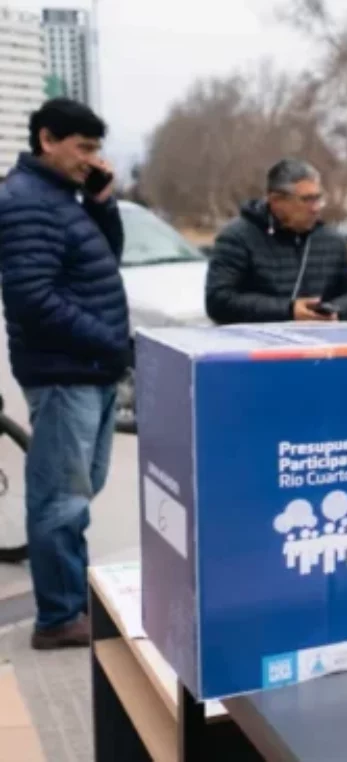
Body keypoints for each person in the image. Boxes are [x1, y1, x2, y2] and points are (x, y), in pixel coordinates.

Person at [0, 99, 129, 649]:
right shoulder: (25, 202)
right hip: (64, 373)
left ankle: (69, 602)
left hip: (88, 370)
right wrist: (115, 345)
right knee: (60, 498)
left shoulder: (62, 197)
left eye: (97, 149)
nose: (92, 160)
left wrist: (101, 203)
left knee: (81, 488)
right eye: (83, 148)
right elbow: (33, 299)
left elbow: (103, 261)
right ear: (47, 139)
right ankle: (57, 617)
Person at [205, 159, 347, 325]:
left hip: (317, 346)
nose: (316, 208)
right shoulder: (237, 237)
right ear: (276, 201)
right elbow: (218, 302)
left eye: (318, 198)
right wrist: (288, 310)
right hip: (256, 346)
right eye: (307, 199)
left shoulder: (332, 241)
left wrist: (334, 310)